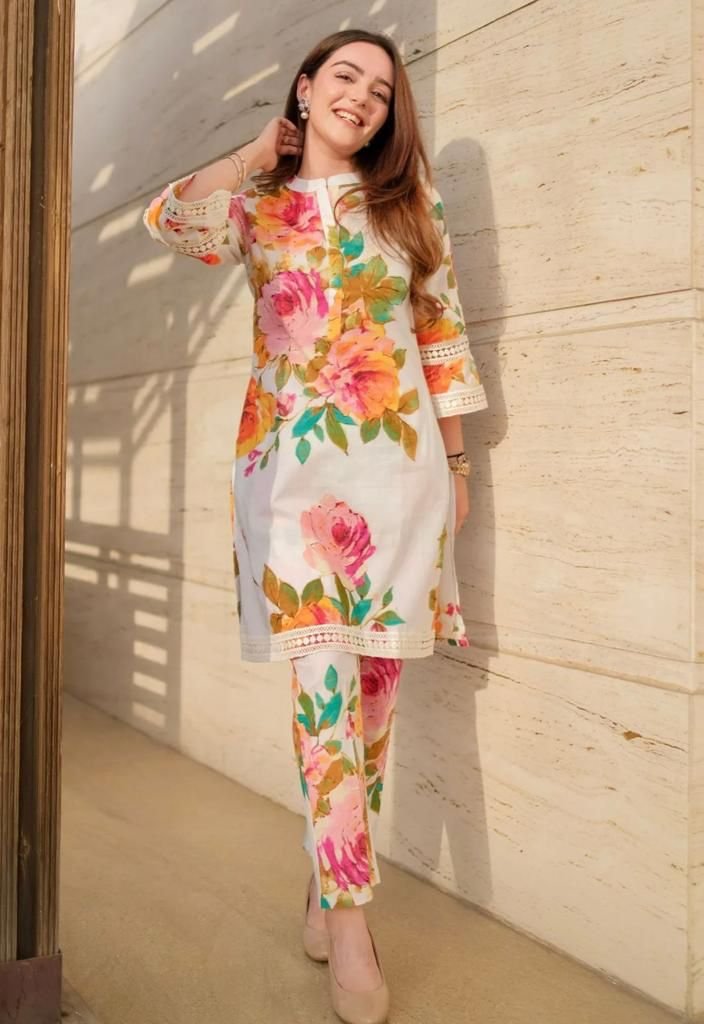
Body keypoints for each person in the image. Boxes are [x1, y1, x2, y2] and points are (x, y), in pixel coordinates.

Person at [143, 26, 488, 1024]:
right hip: (287, 483)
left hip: (399, 480)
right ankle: (351, 922)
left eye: (380, 90)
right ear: (305, 87)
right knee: (321, 698)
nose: (362, 98)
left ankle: (324, 880)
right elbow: (171, 221)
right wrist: (258, 150)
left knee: (371, 706)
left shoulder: (410, 206)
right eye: (345, 75)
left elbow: (440, 332)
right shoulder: (258, 202)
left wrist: (457, 463)